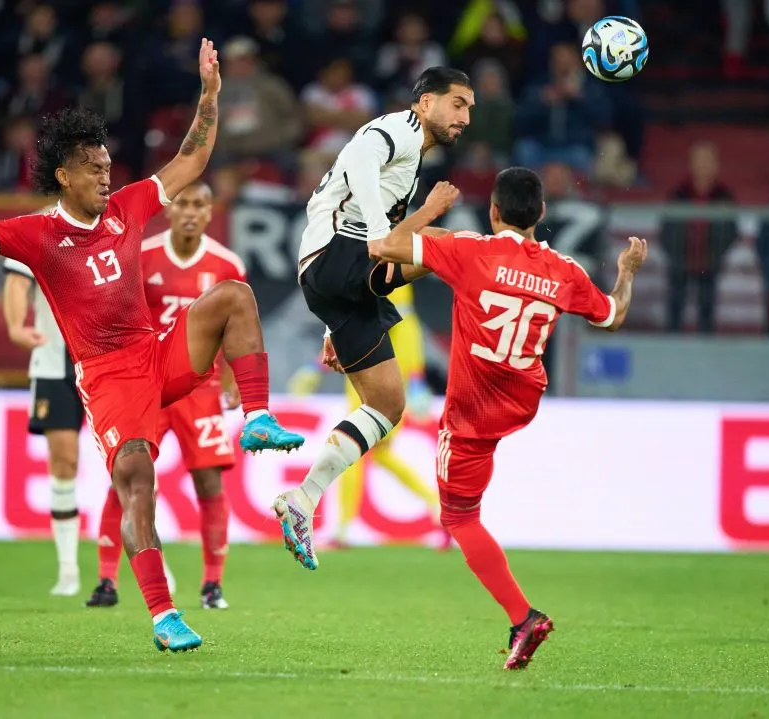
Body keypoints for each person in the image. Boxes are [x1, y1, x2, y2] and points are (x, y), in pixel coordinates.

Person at [0, 39, 304, 653]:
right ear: (65, 175)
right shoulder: (37, 234)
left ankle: (258, 418)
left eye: (109, 167)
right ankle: (163, 614)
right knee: (135, 476)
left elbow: (191, 160)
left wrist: (209, 94)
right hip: (108, 376)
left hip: (157, 352)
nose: (108, 177)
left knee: (233, 293)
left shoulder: (128, 207)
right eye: (96, 170)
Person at [368, 169, 648, 670]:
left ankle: (524, 618)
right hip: (520, 399)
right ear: (541, 214)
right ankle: (521, 620)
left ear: (494, 213)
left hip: (471, 410)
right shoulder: (564, 271)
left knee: (458, 517)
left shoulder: (472, 250)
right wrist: (626, 270)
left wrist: (430, 213)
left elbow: (386, 247)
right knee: (467, 503)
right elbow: (612, 315)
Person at [274, 66, 474, 570]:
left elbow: (384, 232)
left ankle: (302, 500)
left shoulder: (411, 162)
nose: (465, 117)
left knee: (387, 404)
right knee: (458, 247)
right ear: (425, 102)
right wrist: (386, 234)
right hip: (337, 258)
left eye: (470, 108)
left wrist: (329, 324)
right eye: (458, 103)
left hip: (338, 283)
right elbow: (358, 157)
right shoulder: (395, 131)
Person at [87, 180, 244, 610]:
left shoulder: (227, 264)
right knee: (127, 476)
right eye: (183, 204)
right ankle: (106, 580)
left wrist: (231, 380)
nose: (191, 212)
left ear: (211, 212)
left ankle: (212, 585)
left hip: (200, 388)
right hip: (146, 388)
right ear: (169, 210)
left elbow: (234, 326)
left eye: (200, 205)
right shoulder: (141, 255)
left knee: (209, 481)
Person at [3, 249, 176, 597]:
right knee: (64, 463)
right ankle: (68, 569)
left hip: (110, 366)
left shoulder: (113, 232)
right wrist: (15, 325)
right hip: (56, 364)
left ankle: (154, 557)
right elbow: (18, 280)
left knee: (132, 460)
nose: (100, 190)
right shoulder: (41, 230)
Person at [287, 283, 443, 547]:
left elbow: (383, 323)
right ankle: (436, 504)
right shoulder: (381, 269)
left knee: (352, 450)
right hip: (384, 369)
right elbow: (398, 324)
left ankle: (342, 531)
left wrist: (316, 367)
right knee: (380, 454)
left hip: (371, 366)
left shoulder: (377, 270)